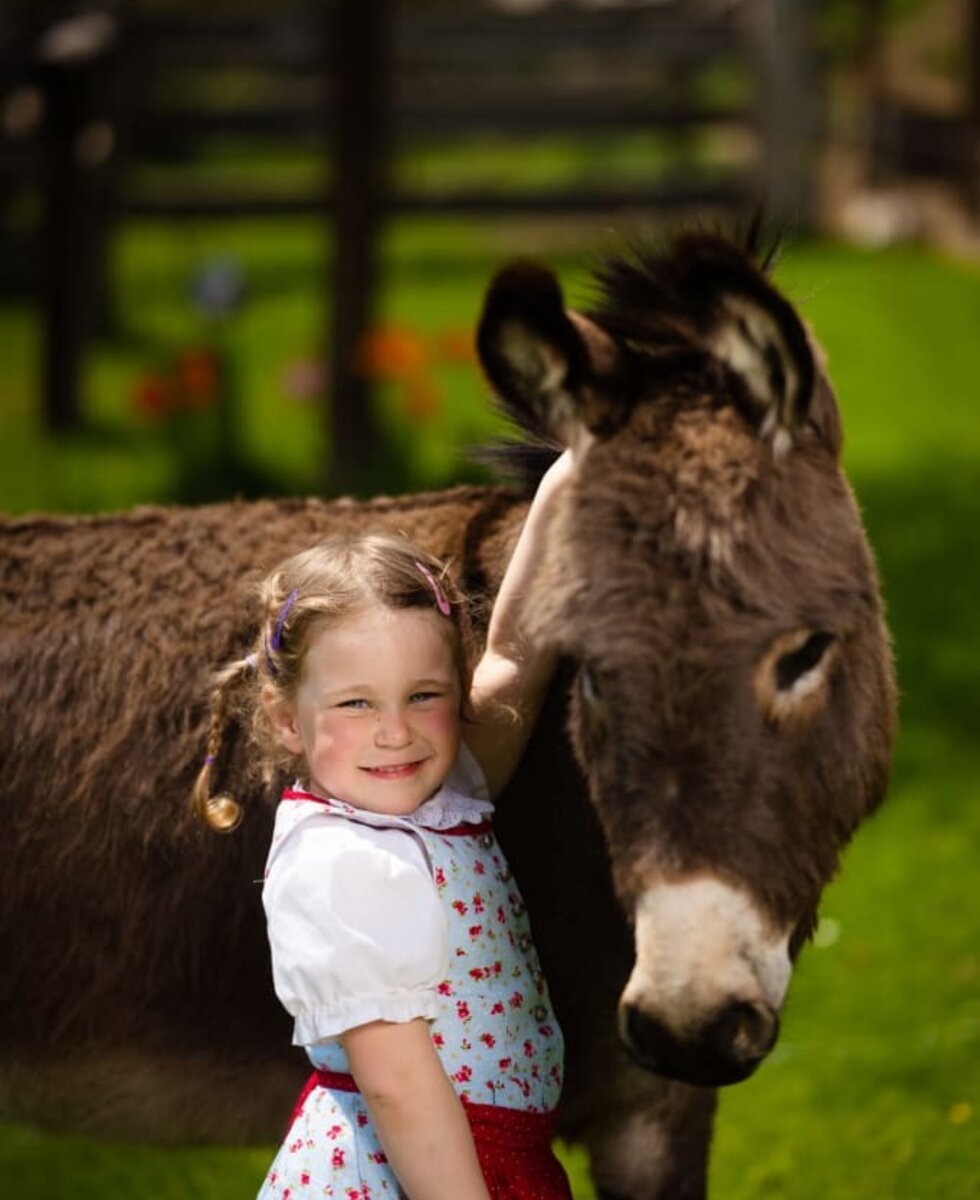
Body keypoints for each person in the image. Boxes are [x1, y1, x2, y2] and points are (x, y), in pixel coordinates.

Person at [192, 453, 574, 1200]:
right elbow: (398, 1085)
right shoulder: (345, 868)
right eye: (356, 704)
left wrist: (568, 482)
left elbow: (515, 655)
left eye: (423, 695)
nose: (395, 732)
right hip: (422, 1170)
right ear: (285, 720)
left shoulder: (434, 794)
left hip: (473, 1152)